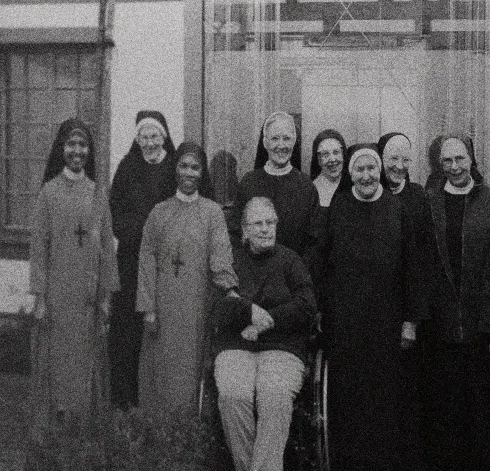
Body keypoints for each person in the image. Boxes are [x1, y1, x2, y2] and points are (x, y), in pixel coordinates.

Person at [311, 144, 428, 471]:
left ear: (380, 171)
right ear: (351, 173)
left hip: (387, 320)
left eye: (371, 169)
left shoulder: (397, 208)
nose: (366, 176)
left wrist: (410, 321)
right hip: (346, 319)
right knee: (348, 393)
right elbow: (322, 261)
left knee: (385, 396)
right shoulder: (340, 207)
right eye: (359, 169)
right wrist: (320, 310)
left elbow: (414, 267)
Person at [212, 196, 317, 471]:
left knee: (274, 396)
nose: (265, 229)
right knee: (233, 395)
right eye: (257, 224)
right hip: (236, 347)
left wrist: (266, 321)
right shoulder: (231, 261)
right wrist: (248, 312)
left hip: (282, 348)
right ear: (244, 229)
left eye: (270, 223)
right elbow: (218, 304)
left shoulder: (290, 261)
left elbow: (306, 307)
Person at [419, 134, 490, 471]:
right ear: (439, 165)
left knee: (477, 391)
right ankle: (442, 461)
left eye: (460, 159)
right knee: (442, 389)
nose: (455, 167)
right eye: (447, 161)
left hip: (478, 312)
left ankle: (475, 466)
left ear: (472, 159)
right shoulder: (430, 200)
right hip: (440, 313)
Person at [136, 142, 237, 417]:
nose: (189, 173)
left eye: (195, 167)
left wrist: (230, 291)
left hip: (196, 306)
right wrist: (148, 308)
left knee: (191, 372)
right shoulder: (159, 212)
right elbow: (147, 260)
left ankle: (190, 430)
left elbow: (220, 258)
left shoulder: (212, 212)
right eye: (184, 166)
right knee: (161, 370)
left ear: (202, 173)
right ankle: (160, 430)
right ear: (175, 169)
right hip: (163, 307)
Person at [27, 116, 114, 422]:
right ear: (61, 149)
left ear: (90, 151)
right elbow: (38, 249)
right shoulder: (48, 193)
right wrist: (40, 298)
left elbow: (107, 248)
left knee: (85, 360)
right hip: (57, 295)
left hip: (87, 297)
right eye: (71, 144)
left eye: (83, 145)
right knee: (57, 358)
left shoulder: (97, 193)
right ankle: (56, 424)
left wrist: (106, 297)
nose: (77, 151)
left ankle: (83, 424)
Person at [107, 111, 176, 409]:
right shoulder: (127, 167)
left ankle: (158, 400)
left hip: (167, 262)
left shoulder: (174, 167)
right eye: (143, 137)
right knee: (128, 330)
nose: (149, 143)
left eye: (154, 136)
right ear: (137, 139)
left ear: (164, 137)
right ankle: (126, 401)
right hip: (131, 261)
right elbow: (114, 212)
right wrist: (140, 231)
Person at [374, 130, 431, 471]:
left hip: (406, 308)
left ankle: (400, 466)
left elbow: (421, 262)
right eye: (392, 158)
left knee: (405, 388)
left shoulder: (418, 196)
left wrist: (412, 318)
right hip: (377, 308)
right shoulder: (371, 194)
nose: (398, 165)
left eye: (405, 159)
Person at [235, 111, 320, 258]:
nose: (281, 145)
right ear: (265, 142)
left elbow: (314, 242)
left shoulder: (307, 187)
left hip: (296, 270)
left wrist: (298, 269)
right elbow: (236, 234)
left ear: (294, 142)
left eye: (286, 138)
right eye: (275, 138)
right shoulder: (249, 183)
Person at [307, 129, 346, 209]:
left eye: (336, 152)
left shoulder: (353, 184)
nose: (332, 159)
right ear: (318, 159)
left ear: (343, 155)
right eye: (325, 154)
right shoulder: (312, 191)